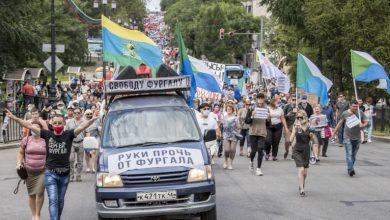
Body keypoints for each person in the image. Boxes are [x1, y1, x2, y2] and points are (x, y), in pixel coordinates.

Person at [6, 109, 98, 220]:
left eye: (60, 123)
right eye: (55, 123)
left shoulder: (69, 134)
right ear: (51, 124)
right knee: (53, 199)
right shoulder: (47, 134)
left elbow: (82, 127)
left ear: (64, 124)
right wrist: (14, 118)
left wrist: (92, 119)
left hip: (64, 174)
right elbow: (28, 125)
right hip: (50, 173)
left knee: (60, 200)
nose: (57, 125)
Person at [16, 122, 46, 220]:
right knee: (31, 193)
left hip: (43, 170)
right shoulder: (26, 140)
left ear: (40, 129)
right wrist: (19, 163)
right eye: (32, 128)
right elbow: (20, 153)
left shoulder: (45, 140)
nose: (34, 130)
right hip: (29, 171)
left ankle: (38, 214)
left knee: (40, 192)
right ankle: (33, 215)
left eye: (36, 128)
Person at [332, 100, 368, 177]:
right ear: (350, 106)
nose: (355, 108)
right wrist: (334, 133)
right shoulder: (345, 113)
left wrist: (363, 125)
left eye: (356, 106)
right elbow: (339, 124)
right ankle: (350, 169)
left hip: (357, 137)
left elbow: (366, 121)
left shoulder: (360, 112)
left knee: (353, 155)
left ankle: (351, 167)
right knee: (349, 153)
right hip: (347, 136)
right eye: (353, 106)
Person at [290, 110, 314, 197]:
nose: (299, 119)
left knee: (305, 173)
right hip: (297, 149)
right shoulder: (295, 126)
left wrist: (311, 136)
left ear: (305, 117)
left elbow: (312, 140)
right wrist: (295, 129)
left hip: (306, 150)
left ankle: (301, 185)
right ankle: (302, 190)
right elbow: (291, 139)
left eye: (301, 117)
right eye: (298, 117)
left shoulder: (309, 126)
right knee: (301, 169)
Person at [248, 93, 268, 176]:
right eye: (258, 98)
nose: (260, 100)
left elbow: (268, 124)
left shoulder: (267, 108)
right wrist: (252, 116)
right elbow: (247, 121)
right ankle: (251, 161)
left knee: (260, 149)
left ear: (264, 99)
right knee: (253, 150)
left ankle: (258, 168)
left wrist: (269, 118)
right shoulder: (252, 108)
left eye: (262, 98)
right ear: (256, 99)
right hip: (253, 132)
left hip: (262, 132)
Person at [65, 107, 85, 182]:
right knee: (71, 159)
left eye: (78, 113)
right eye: (75, 113)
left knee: (80, 161)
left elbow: (87, 132)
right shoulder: (69, 122)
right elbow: (66, 132)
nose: (77, 114)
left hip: (81, 142)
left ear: (81, 113)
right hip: (72, 142)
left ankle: (78, 176)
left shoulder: (84, 122)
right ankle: (71, 176)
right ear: (73, 114)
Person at [222, 104, 239, 169]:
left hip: (234, 135)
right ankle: (225, 161)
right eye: (228, 109)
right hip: (226, 135)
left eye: (230, 109)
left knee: (232, 149)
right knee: (226, 150)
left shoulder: (235, 117)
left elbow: (238, 127)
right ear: (226, 110)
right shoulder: (224, 117)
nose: (229, 110)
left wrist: (237, 122)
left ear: (232, 110)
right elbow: (222, 125)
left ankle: (230, 163)